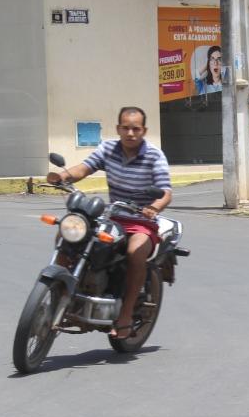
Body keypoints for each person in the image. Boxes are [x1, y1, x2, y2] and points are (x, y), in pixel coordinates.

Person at [46, 107, 173, 339]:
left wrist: (154, 207)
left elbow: (165, 192)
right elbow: (84, 168)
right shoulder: (108, 148)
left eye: (136, 128)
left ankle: (125, 315)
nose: (131, 133)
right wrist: (63, 177)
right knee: (69, 233)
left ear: (144, 130)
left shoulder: (154, 155)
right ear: (118, 129)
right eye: (126, 128)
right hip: (113, 217)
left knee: (135, 252)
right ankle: (61, 296)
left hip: (141, 220)